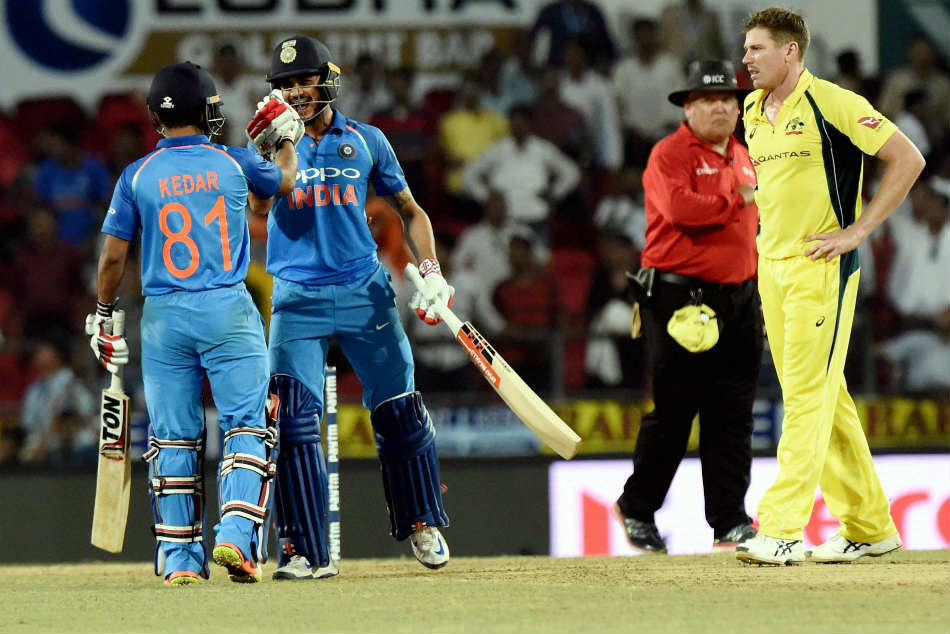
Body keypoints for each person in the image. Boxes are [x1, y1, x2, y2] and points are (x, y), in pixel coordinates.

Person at [249, 35, 454, 580]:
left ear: (327, 81)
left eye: (305, 80)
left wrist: (432, 270)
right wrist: (274, 150)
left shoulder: (367, 139)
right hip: (297, 299)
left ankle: (421, 521)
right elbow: (259, 206)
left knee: (399, 411)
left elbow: (411, 211)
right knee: (293, 422)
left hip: (366, 293)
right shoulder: (269, 142)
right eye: (286, 85)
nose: (297, 91)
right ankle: (301, 548)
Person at [86, 61, 299, 585]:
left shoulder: (136, 175)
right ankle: (236, 538)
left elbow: (113, 259)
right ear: (206, 111)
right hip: (226, 308)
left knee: (173, 437)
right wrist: (285, 141)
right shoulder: (233, 160)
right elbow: (284, 183)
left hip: (163, 318)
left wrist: (104, 314)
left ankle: (180, 560)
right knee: (248, 423)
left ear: (156, 117)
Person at [736, 8, 925, 565]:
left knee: (803, 396)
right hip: (771, 267)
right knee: (824, 395)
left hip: (820, 267)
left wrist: (858, 231)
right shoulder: (751, 109)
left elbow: (908, 158)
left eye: (757, 49)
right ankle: (869, 527)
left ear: (790, 51)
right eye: (746, 49)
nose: (746, 59)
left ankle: (781, 528)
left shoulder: (833, 102)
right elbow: (775, 187)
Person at [612, 60, 761, 554]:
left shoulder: (744, 154)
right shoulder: (669, 154)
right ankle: (637, 507)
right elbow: (680, 210)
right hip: (680, 299)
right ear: (688, 107)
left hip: (739, 297)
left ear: (738, 108)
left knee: (733, 414)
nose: (721, 108)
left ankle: (730, 521)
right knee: (675, 412)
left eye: (728, 100)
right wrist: (739, 200)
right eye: (708, 99)